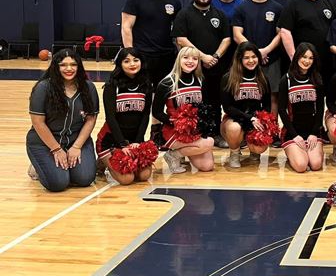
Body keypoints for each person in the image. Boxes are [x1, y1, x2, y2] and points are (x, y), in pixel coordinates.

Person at [26, 49, 99, 192]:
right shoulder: (43, 87)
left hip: (75, 140)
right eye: (63, 65)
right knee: (58, 183)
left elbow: (91, 119)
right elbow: (38, 122)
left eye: (73, 64)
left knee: (85, 179)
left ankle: (61, 166)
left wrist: (77, 147)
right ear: (56, 67)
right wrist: (57, 149)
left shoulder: (88, 87)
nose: (69, 69)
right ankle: (38, 166)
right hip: (45, 143)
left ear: (79, 67)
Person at [172, 0, 232, 148]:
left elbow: (227, 39)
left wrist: (215, 57)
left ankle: (215, 134)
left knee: (214, 101)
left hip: (215, 68)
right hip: (192, 69)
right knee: (192, 102)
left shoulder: (219, 15)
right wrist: (202, 57)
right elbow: (181, 39)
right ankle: (193, 134)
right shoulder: (184, 14)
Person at [120, 0, 182, 100]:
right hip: (142, 55)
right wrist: (130, 53)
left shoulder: (174, 1)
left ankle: (156, 122)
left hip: (166, 56)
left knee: (163, 96)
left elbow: (178, 31)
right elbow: (126, 27)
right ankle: (140, 122)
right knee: (141, 95)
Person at [152, 47, 215, 173]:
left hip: (194, 130)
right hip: (174, 130)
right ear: (178, 59)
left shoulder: (200, 80)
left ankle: (179, 154)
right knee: (209, 142)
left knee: (207, 166)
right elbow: (156, 112)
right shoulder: (167, 83)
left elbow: (205, 107)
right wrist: (175, 121)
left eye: (195, 58)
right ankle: (172, 156)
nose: (190, 61)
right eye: (185, 57)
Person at [96, 47, 153, 185]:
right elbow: (110, 118)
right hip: (111, 141)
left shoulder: (146, 85)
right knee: (127, 179)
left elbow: (145, 116)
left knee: (144, 175)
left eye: (135, 60)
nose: (132, 64)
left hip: (134, 141)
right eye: (126, 61)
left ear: (141, 62)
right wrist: (122, 144)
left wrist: (138, 141)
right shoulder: (112, 86)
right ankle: (102, 162)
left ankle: (109, 162)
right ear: (120, 64)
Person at [231, 0, 284, 115]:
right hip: (247, 60)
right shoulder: (241, 8)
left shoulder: (277, 8)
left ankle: (271, 129)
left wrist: (266, 51)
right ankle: (248, 126)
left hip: (271, 58)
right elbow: (237, 35)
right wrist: (255, 53)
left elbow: (281, 34)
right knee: (247, 93)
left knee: (273, 94)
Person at [278, 0, 336, 81]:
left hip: (325, 60)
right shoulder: (293, 3)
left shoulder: (325, 0)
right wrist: (294, 58)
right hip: (303, 61)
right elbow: (285, 32)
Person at [220, 42, 272, 168]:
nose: (251, 61)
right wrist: (249, 118)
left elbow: (267, 106)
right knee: (234, 128)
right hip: (234, 119)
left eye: (254, 57)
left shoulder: (262, 78)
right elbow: (227, 107)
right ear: (239, 59)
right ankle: (234, 152)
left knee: (260, 148)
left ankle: (254, 151)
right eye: (246, 57)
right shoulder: (228, 78)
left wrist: (261, 120)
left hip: (255, 120)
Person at [278, 43, 326, 173]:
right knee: (301, 166)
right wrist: (294, 135)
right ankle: (292, 154)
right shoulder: (286, 80)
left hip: (311, 130)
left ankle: (305, 152)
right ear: (297, 57)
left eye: (311, 58)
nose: (307, 61)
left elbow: (321, 108)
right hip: (293, 132)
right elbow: (282, 110)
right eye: (304, 57)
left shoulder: (317, 78)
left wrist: (314, 133)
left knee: (316, 165)